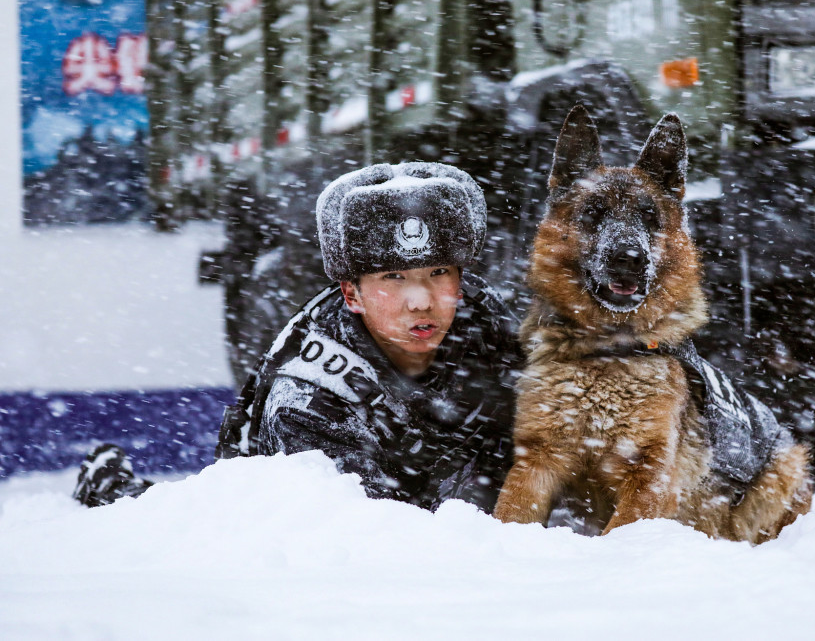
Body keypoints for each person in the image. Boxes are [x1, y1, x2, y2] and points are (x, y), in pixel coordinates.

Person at [73, 162, 522, 513]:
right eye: (394, 277)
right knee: (180, 524)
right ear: (352, 294)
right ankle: (115, 490)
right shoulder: (309, 396)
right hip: (280, 530)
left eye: (439, 273)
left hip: (434, 501)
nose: (421, 300)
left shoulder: (483, 318)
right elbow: (359, 540)